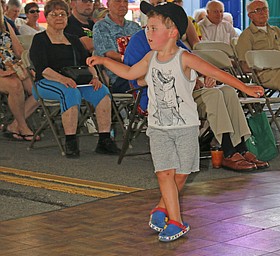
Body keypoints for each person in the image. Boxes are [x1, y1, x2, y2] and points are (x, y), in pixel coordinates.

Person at [87, 1, 265, 242]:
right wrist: (104, 61)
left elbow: (216, 73)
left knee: (181, 174)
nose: (147, 33)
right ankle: (176, 221)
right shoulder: (150, 58)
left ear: (172, 33)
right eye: (147, 28)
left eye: (153, 28)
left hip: (185, 127)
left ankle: (161, 208)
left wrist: (245, 87)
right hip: (159, 127)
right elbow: (129, 74)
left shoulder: (185, 58)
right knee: (164, 173)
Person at [30, 0, 120, 158]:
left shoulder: (73, 39)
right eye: (54, 14)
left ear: (67, 17)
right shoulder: (40, 40)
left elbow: (87, 62)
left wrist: (95, 77)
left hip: (76, 81)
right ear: (47, 17)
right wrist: (62, 79)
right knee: (70, 92)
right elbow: (43, 69)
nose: (59, 17)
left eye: (62, 14)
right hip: (46, 82)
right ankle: (70, 141)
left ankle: (104, 140)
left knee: (102, 92)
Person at [0, 2, 39, 141]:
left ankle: (14, 125)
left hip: (11, 67)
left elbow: (19, 50)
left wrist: (28, 67)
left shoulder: (4, 23)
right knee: (14, 85)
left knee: (39, 87)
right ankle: (23, 126)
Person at [92, 0, 141, 93]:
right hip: (118, 78)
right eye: (118, 1)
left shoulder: (135, 27)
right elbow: (110, 55)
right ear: (108, 4)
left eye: (125, 1)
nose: (122, 4)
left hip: (139, 72)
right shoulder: (101, 27)